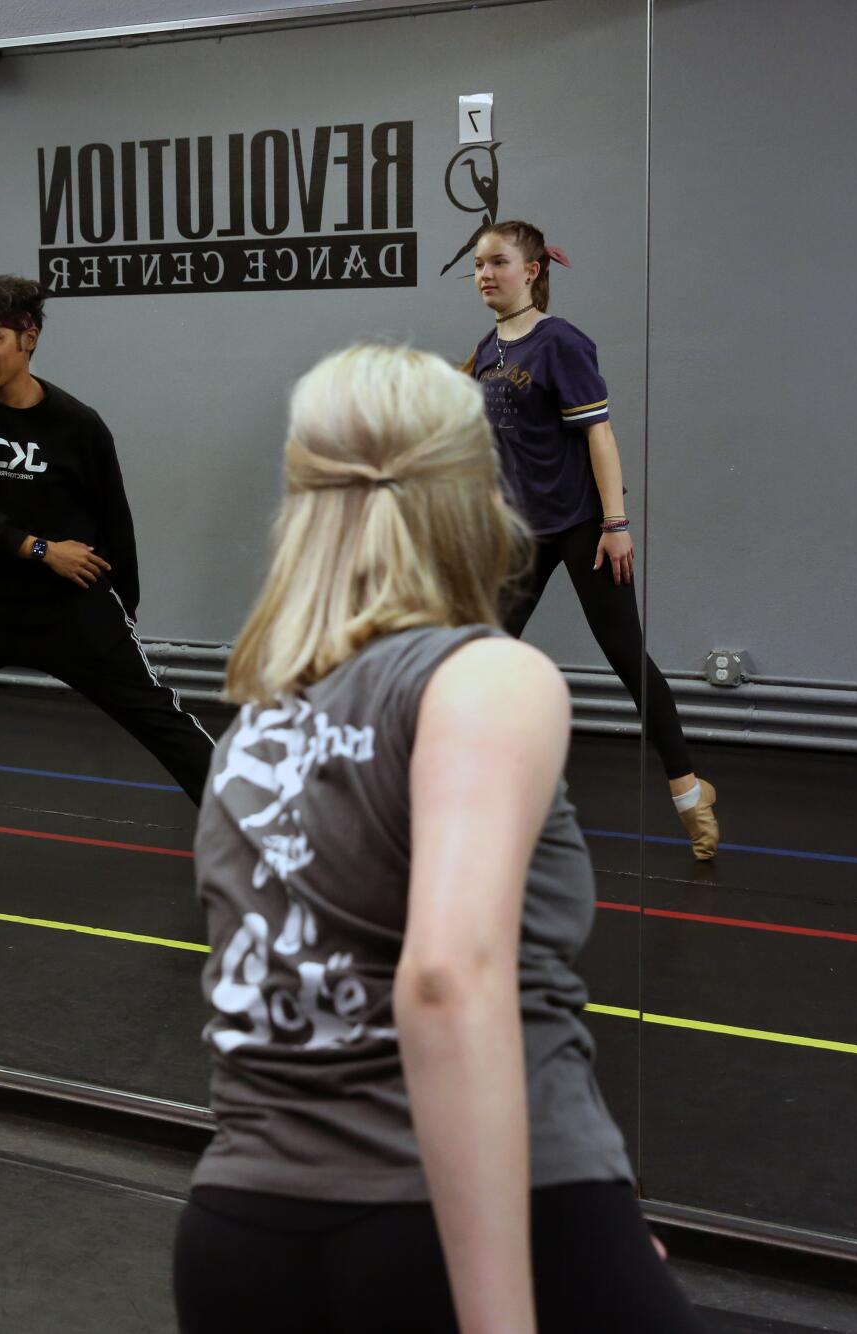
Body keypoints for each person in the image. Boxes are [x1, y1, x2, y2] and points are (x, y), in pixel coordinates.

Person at [175, 345, 701, 1332]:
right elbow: (445, 981)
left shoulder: (254, 724)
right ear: (480, 493)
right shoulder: (483, 677)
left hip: (240, 1230)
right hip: (450, 1224)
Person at [0, 275, 215, 856]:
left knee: (162, 720)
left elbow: (116, 521)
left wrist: (119, 611)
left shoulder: (78, 425)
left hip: (71, 611)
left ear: (28, 339)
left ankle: (256, 832)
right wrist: (39, 548)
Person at [466, 219, 719, 859]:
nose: (485, 275)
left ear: (532, 272)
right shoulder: (489, 351)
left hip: (582, 528)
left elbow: (598, 436)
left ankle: (691, 791)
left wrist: (615, 525)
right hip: (525, 533)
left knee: (626, 657)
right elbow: (498, 448)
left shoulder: (562, 344)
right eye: (477, 265)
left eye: (497, 263)